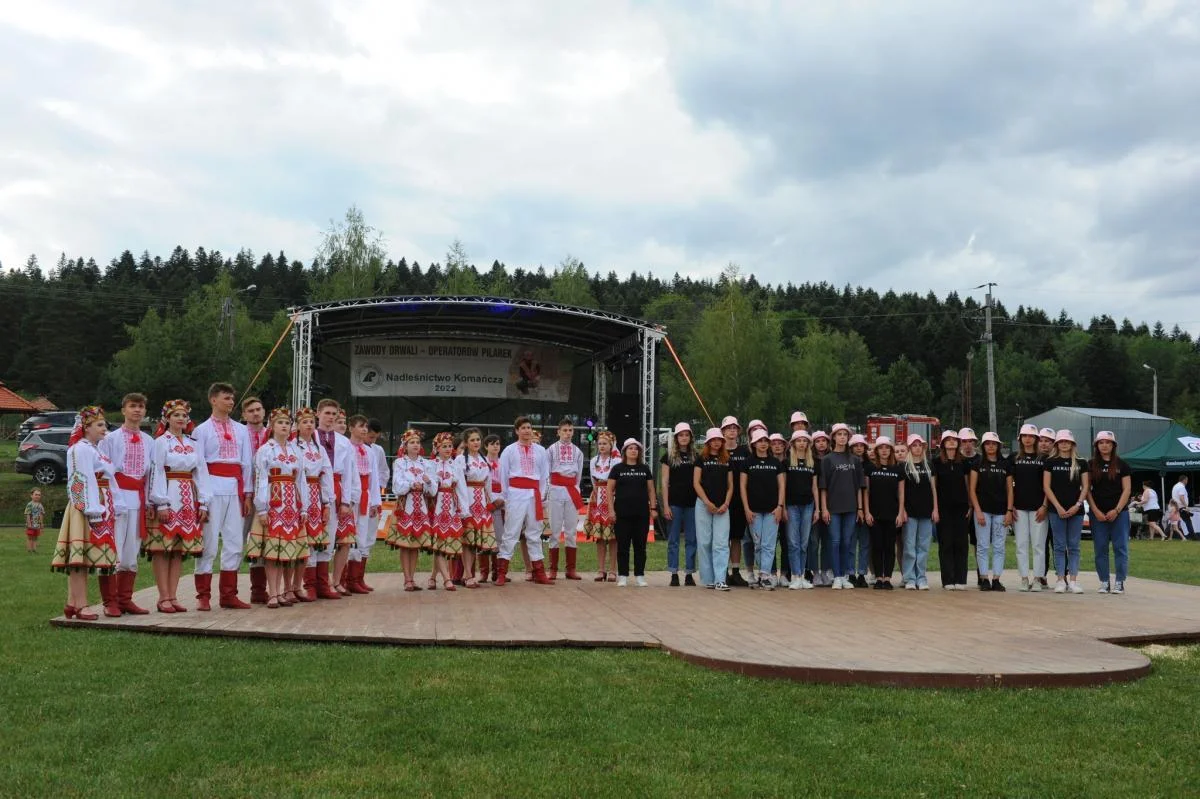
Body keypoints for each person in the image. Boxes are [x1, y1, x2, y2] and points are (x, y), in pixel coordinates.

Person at [52, 406, 121, 620]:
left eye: (104, 424)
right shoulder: (80, 449)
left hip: (100, 502)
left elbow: (108, 478)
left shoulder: (94, 448)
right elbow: (81, 480)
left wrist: (114, 504)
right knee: (79, 558)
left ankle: (72, 602)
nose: (104, 428)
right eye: (99, 425)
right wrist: (92, 510)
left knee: (82, 557)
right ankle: (80, 604)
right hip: (87, 507)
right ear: (86, 427)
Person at [192, 382, 254, 611]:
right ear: (213, 400)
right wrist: (202, 498)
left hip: (234, 488)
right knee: (208, 541)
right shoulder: (202, 430)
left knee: (235, 541)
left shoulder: (241, 430)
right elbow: (198, 466)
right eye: (226, 398)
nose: (230, 402)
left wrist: (247, 494)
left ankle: (228, 594)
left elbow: (247, 463)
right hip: (211, 487)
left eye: (232, 398)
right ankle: (203, 595)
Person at [146, 399, 210, 612]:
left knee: (177, 550)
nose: (181, 419)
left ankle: (173, 596)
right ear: (167, 418)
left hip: (188, 498)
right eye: (176, 415)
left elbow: (201, 473)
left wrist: (203, 502)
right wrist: (161, 502)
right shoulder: (161, 442)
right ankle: (163, 596)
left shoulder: (194, 444)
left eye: (184, 415)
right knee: (162, 549)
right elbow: (157, 471)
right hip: (169, 493)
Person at [97, 392, 153, 616]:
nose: (137, 410)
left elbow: (152, 474)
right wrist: (108, 500)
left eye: (140, 406)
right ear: (123, 410)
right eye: (132, 406)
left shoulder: (150, 441)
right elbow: (103, 471)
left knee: (131, 551)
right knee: (114, 549)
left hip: (138, 499)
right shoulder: (110, 439)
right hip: (117, 499)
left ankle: (125, 599)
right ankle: (110, 601)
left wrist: (150, 501)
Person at [246, 407, 307, 607]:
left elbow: (301, 481)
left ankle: (281, 592)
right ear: (271, 426)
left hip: (291, 504)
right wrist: (262, 509)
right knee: (272, 551)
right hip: (273, 502)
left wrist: (303, 508)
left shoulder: (295, 450)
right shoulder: (265, 450)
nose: (284, 426)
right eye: (280, 423)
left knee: (285, 551)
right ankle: (272, 593)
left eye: (287, 423)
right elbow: (261, 480)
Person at [305, 399, 358, 601]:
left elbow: (350, 474)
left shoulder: (344, 442)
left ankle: (323, 583)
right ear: (318, 413)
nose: (330, 417)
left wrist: (346, 501)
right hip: (312, 486)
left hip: (336, 486)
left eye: (333, 414)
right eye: (326, 413)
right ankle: (309, 584)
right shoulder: (309, 437)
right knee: (311, 535)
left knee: (329, 536)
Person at [495, 416, 553, 585]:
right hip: (516, 493)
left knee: (534, 533)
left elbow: (544, 475)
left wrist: (541, 496)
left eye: (529, 427)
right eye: (523, 428)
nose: (527, 430)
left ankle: (539, 572)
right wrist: (506, 497)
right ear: (517, 431)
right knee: (511, 532)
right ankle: (501, 572)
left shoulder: (541, 450)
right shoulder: (509, 450)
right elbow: (503, 475)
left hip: (534, 494)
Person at [387, 429, 435, 591]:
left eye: (417, 442)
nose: (416, 445)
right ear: (405, 446)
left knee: (415, 545)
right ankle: (407, 579)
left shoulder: (426, 464)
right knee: (405, 544)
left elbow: (433, 489)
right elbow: (397, 486)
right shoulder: (400, 463)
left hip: (420, 507)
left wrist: (426, 484)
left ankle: (412, 578)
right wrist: (410, 485)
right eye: (412, 442)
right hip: (405, 505)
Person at [1043, 430, 1089, 594]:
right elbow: (1047, 487)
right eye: (1061, 441)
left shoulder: (1082, 462)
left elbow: (1085, 487)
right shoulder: (1050, 462)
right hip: (1057, 510)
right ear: (1057, 444)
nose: (1064, 444)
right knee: (1059, 545)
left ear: (1072, 444)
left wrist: (1077, 505)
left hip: (1076, 510)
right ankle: (1060, 579)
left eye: (1067, 441)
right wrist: (1057, 506)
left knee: (1074, 546)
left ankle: (1073, 581)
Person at [293, 407, 332, 602]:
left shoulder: (319, 448)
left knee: (317, 540)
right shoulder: (293, 446)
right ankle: (303, 586)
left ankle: (318, 585)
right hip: (300, 495)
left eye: (311, 422)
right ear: (297, 426)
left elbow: (326, 475)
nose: (309, 425)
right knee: (303, 540)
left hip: (316, 495)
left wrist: (327, 502)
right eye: (304, 422)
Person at [819, 424, 864, 590]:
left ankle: (845, 575)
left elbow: (859, 486)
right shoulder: (827, 460)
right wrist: (824, 508)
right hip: (833, 508)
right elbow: (823, 487)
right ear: (834, 437)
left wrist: (860, 508)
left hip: (851, 507)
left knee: (847, 542)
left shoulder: (855, 460)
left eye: (845, 434)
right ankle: (836, 576)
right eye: (839, 434)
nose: (842, 437)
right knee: (835, 542)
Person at [607, 438, 657, 587]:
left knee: (640, 545)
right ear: (624, 452)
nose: (633, 451)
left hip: (641, 513)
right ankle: (622, 575)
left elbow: (651, 489)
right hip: (622, 513)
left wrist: (653, 508)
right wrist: (611, 510)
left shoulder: (645, 469)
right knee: (623, 545)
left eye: (636, 448)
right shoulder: (617, 469)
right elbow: (609, 490)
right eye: (630, 448)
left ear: (639, 452)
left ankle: (640, 575)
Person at [1087, 430, 1132, 595]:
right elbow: (1087, 490)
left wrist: (1117, 510)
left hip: (1119, 513)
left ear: (1113, 445)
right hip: (1098, 514)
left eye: (1108, 442)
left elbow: (1127, 489)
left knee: (1120, 548)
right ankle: (1104, 581)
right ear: (1097, 446)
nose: (1104, 445)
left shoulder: (1122, 465)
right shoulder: (1090, 465)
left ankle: (1119, 581)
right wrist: (1095, 510)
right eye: (1101, 442)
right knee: (1100, 548)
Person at [741, 428, 786, 590]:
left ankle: (765, 575)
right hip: (753, 511)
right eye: (759, 441)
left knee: (769, 544)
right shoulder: (748, 463)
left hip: (772, 510)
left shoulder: (775, 463)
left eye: (765, 441)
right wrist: (746, 508)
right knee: (758, 543)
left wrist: (780, 506)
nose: (763, 444)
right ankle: (761, 573)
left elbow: (782, 486)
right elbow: (742, 487)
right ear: (753, 443)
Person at [341, 415, 382, 594]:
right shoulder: (345, 447)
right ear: (351, 428)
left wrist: (375, 501)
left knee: (363, 537)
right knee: (348, 537)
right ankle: (343, 579)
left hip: (365, 496)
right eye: (360, 426)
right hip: (351, 497)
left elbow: (374, 478)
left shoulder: (370, 451)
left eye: (366, 426)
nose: (365, 429)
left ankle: (357, 578)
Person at [969, 432, 1013, 592]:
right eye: (988, 443)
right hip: (983, 511)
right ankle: (984, 578)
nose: (991, 446)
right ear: (983, 446)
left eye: (994, 443)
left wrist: (1009, 510)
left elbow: (1010, 490)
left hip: (1001, 511)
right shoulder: (977, 463)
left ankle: (996, 579)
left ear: (998, 446)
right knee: (982, 545)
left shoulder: (1005, 464)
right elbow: (972, 490)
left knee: (999, 546)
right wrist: (978, 511)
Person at [237, 397, 270, 604]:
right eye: (250, 411)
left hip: (267, 495)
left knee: (263, 538)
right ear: (244, 415)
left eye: (258, 409)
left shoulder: (272, 432)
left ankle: (259, 590)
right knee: (237, 538)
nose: (255, 413)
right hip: (242, 492)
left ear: (264, 411)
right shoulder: (240, 434)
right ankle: (228, 590)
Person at [694, 427, 733, 590]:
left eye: (719, 440)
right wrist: (707, 502)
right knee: (704, 542)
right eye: (713, 440)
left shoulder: (726, 459)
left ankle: (720, 579)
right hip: (703, 505)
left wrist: (725, 504)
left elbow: (731, 486)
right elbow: (696, 482)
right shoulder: (700, 459)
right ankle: (708, 578)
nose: (717, 442)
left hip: (723, 507)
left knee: (722, 543)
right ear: (708, 442)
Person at [545, 417, 585, 580]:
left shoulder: (578, 452)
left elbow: (579, 475)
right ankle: (553, 568)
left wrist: (574, 488)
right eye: (565, 430)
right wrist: (549, 492)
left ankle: (571, 569)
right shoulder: (551, 450)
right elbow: (546, 473)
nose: (568, 434)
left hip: (571, 491)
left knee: (571, 531)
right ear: (558, 432)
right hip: (555, 490)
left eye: (570, 430)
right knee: (554, 530)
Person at [1010, 424, 1049, 591]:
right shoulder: (1014, 458)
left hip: (1039, 508)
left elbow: (1049, 485)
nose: (1028, 439)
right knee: (1021, 544)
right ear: (1020, 439)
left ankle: (1038, 579)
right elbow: (1009, 485)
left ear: (1036, 439)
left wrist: (1045, 505)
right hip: (1019, 508)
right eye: (1024, 436)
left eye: (1031, 436)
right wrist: (1010, 507)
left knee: (1039, 545)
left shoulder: (1044, 459)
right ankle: (1024, 578)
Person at [426, 431, 467, 591]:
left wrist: (463, 508)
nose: (449, 449)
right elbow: (430, 489)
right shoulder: (431, 465)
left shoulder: (455, 464)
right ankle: (446, 579)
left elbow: (461, 487)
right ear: (437, 448)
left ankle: (432, 577)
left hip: (450, 506)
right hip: (435, 506)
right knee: (439, 543)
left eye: (450, 446)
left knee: (444, 542)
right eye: (444, 446)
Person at [863, 436, 904, 589]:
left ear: (891, 451)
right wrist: (867, 512)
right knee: (877, 546)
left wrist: (900, 513)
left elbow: (901, 494)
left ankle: (887, 578)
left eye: (887, 448)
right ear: (877, 451)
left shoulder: (898, 469)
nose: (884, 450)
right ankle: (879, 577)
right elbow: (866, 492)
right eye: (881, 448)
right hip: (875, 514)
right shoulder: (870, 468)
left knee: (889, 547)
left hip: (892, 514)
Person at [661, 422, 698, 586]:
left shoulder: (696, 456)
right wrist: (666, 505)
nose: (684, 438)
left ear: (690, 437)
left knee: (691, 539)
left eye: (686, 435)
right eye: (681, 435)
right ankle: (673, 573)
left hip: (692, 504)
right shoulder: (668, 457)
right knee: (673, 540)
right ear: (676, 438)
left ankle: (689, 574)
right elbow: (664, 482)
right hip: (675, 504)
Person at [932, 430, 970, 590]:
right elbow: (934, 487)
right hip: (943, 508)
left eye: (955, 440)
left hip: (962, 508)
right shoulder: (936, 462)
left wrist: (970, 506)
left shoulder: (964, 463)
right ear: (943, 443)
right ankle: (948, 579)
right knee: (946, 543)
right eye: (948, 440)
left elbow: (968, 486)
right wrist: (935, 508)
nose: (952, 442)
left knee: (961, 543)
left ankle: (960, 579)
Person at [901, 434, 938, 590]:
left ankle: (921, 577)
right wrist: (902, 510)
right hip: (910, 512)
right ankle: (909, 578)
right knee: (909, 546)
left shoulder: (928, 465)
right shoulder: (904, 466)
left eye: (920, 445)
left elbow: (933, 489)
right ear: (910, 448)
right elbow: (901, 491)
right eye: (914, 445)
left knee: (923, 546)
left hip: (926, 511)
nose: (917, 448)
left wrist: (935, 509)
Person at [458, 427, 495, 586]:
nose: (476, 442)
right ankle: (467, 575)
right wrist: (464, 508)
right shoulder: (461, 459)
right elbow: (459, 484)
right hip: (468, 499)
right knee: (467, 541)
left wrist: (490, 502)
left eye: (478, 439)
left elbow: (488, 483)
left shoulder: (483, 460)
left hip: (481, 503)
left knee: (474, 542)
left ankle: (469, 574)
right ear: (466, 443)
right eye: (472, 440)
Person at [784, 430, 818, 590]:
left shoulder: (813, 463)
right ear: (793, 443)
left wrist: (817, 509)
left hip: (808, 505)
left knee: (804, 543)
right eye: (799, 441)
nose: (802, 443)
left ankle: (803, 576)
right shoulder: (787, 462)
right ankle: (795, 576)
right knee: (793, 542)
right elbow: (782, 487)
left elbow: (815, 487)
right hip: (791, 505)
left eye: (805, 440)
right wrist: (782, 506)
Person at [719, 416, 751, 587]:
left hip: (740, 500)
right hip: (723, 501)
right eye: (728, 428)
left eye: (734, 428)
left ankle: (736, 572)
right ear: (722, 431)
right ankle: (722, 571)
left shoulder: (745, 452)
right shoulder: (718, 451)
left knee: (736, 538)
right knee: (723, 538)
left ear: (738, 431)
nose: (731, 430)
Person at [586, 431, 619, 581]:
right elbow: (594, 481)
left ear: (611, 445)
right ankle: (601, 569)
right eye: (599, 443)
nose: (602, 446)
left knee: (613, 536)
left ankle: (613, 570)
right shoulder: (594, 460)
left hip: (612, 497)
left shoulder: (617, 461)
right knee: (599, 537)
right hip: (597, 497)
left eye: (605, 443)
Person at [808, 430, 833, 586]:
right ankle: (814, 572)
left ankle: (825, 570)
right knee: (814, 541)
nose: (821, 443)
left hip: (832, 504)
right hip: (813, 505)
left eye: (824, 440)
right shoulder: (811, 460)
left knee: (828, 540)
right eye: (818, 441)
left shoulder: (832, 459)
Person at [846, 433, 871, 587]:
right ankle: (850, 573)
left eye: (861, 445)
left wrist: (865, 509)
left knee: (865, 543)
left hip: (867, 508)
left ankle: (862, 573)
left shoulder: (869, 466)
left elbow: (866, 489)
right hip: (850, 507)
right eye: (856, 446)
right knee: (850, 542)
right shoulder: (848, 464)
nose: (859, 448)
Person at [484, 433, 506, 582]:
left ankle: (498, 571)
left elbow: (508, 483)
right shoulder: (481, 462)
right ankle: (483, 572)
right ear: (486, 446)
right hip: (486, 502)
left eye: (497, 443)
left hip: (501, 502)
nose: (495, 446)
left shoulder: (504, 463)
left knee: (500, 536)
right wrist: (491, 500)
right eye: (492, 444)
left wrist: (502, 499)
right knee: (485, 535)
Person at [1170, 475, 1195, 539]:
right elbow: (1181, 497)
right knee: (1187, 521)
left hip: (1175, 506)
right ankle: (1192, 536)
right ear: (1184, 480)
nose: (1187, 481)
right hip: (1181, 507)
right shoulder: (1181, 487)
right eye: (1187, 480)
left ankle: (1171, 535)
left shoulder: (1175, 486)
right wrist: (1186, 506)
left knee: (1174, 521)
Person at [24, 488, 45, 553]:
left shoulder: (40, 505)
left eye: (39, 495)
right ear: (31, 495)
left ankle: (34, 549)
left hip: (37, 524)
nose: (37, 496)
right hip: (31, 524)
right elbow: (27, 514)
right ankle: (29, 549)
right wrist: (29, 523)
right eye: (36, 494)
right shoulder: (29, 504)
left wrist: (41, 524)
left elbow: (41, 515)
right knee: (30, 537)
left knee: (35, 537)